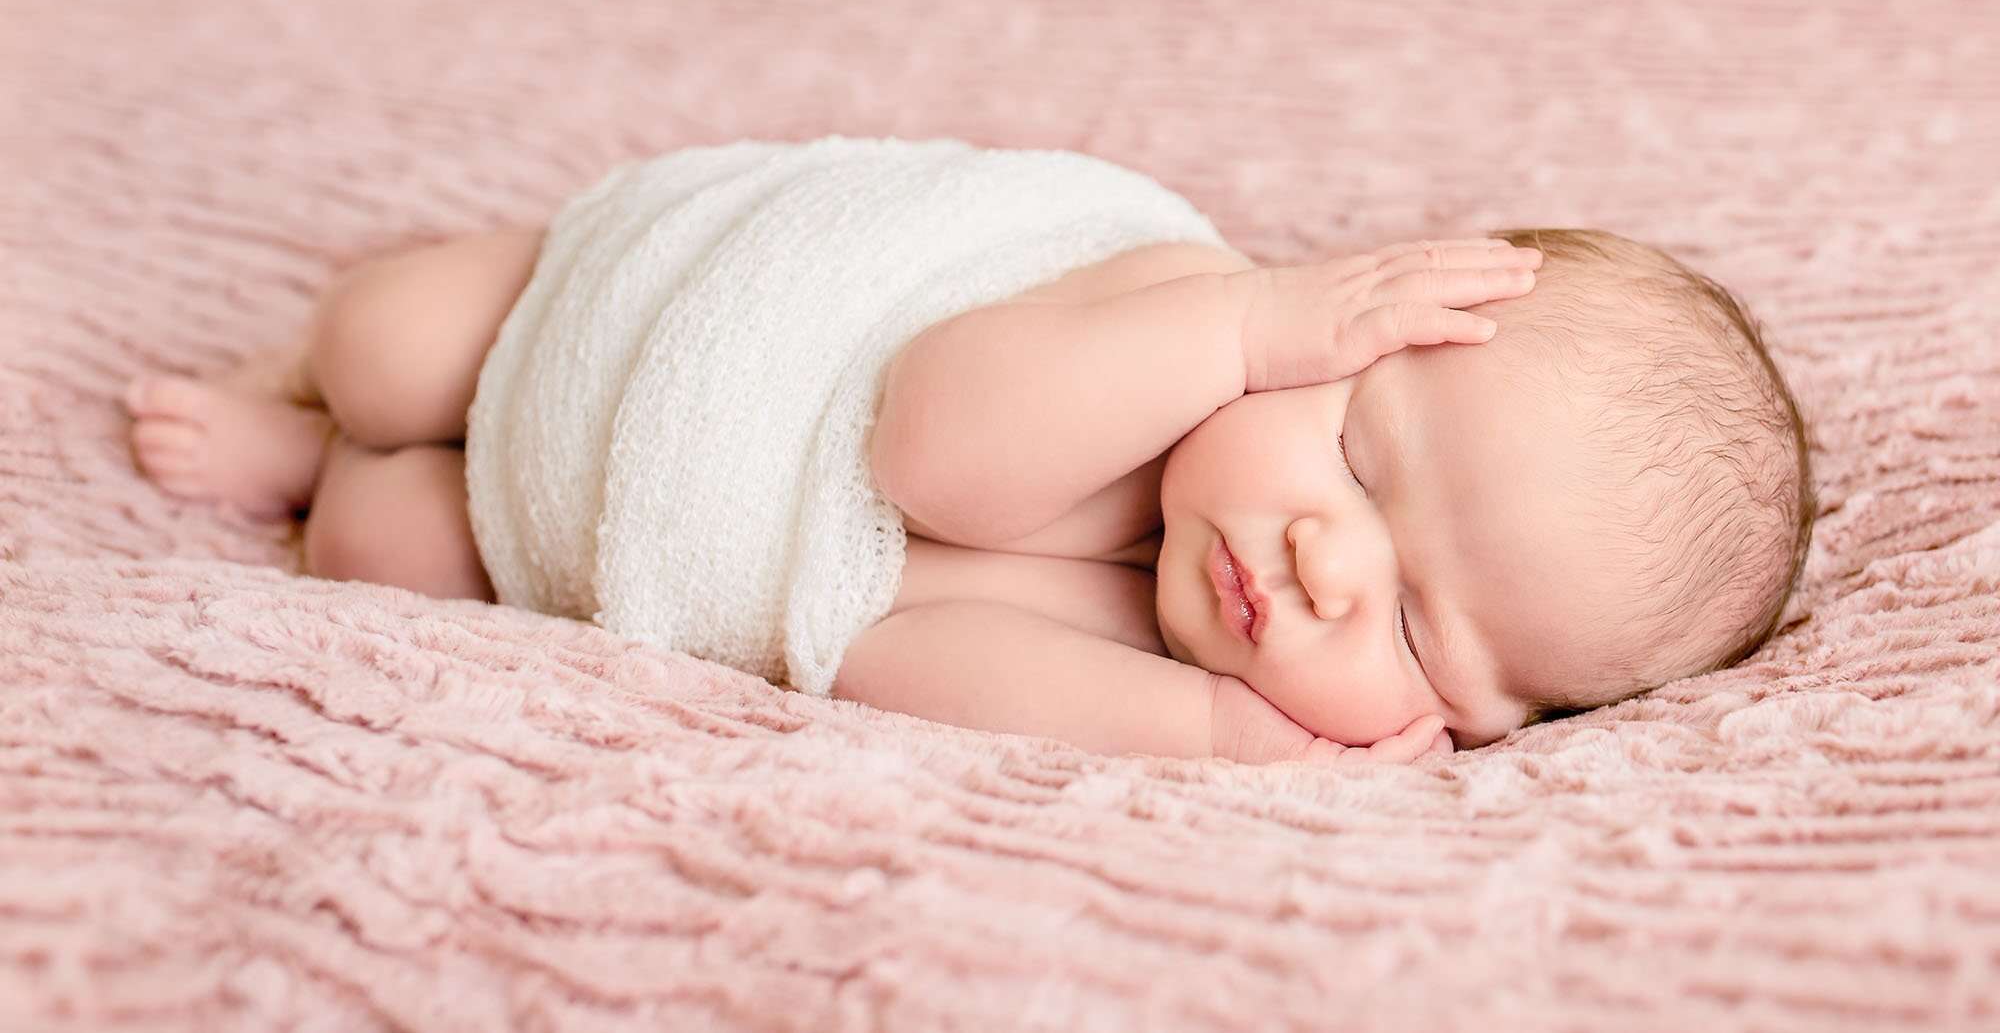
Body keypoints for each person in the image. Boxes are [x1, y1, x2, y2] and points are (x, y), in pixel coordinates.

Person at [124, 151, 1815, 768]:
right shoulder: (1182, 313)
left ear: (1477, 722)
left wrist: (1211, 727)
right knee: (387, 345)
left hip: (579, 517)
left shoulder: (1165, 655)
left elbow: (880, 655)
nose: (1324, 560)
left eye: (1420, 631)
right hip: (615, 323)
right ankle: (309, 394)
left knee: (378, 544)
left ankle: (311, 469)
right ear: (1344, 328)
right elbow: (929, 452)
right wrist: (1246, 335)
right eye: (1365, 455)